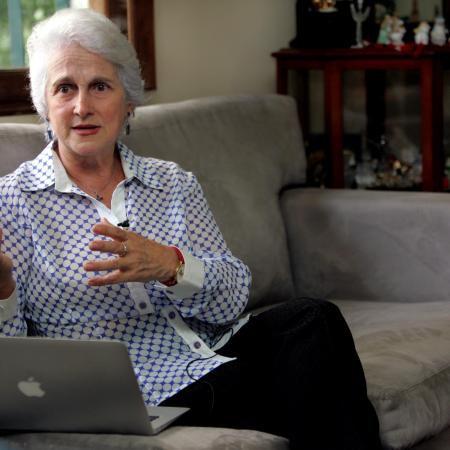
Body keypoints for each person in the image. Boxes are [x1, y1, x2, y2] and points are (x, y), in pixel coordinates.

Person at [0, 8, 382, 450]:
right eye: (65, 88)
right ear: (45, 105)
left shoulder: (171, 182)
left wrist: (172, 265)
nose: (82, 106)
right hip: (138, 393)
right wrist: (4, 288)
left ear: (128, 102)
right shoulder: (13, 200)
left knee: (314, 320)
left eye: (100, 86)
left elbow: (233, 297)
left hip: (216, 359)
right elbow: (14, 368)